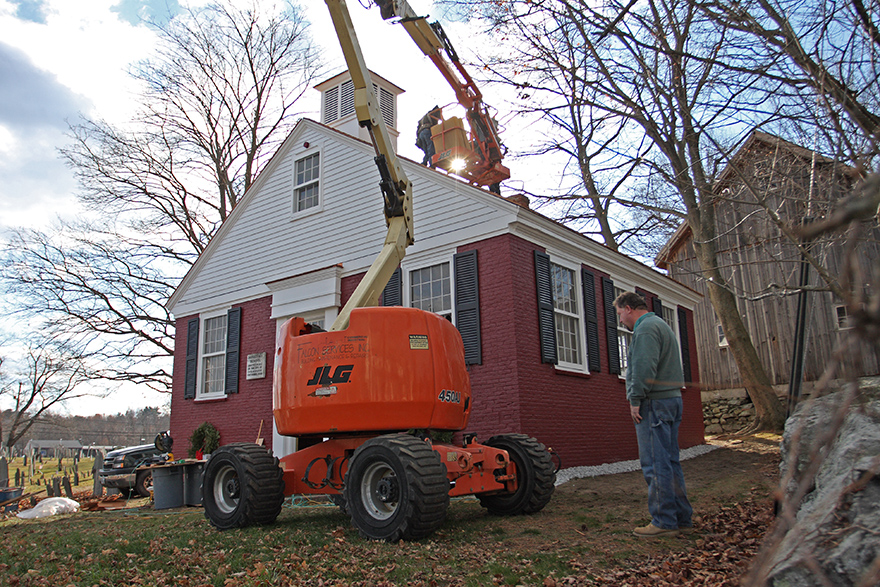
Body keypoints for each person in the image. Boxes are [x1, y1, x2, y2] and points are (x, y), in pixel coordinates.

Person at [614, 291, 693, 538]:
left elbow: (642, 366)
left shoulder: (645, 329)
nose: (620, 320)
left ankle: (663, 521)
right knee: (670, 461)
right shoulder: (661, 324)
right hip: (672, 400)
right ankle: (681, 517)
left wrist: (635, 399)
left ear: (628, 308)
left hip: (654, 403)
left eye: (619, 314)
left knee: (655, 462)